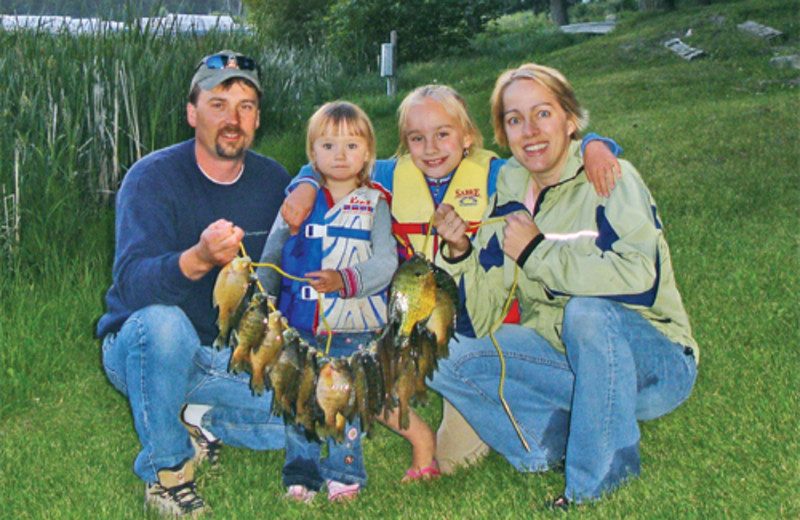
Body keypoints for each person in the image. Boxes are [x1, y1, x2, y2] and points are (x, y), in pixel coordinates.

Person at [280, 84, 623, 477]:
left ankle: (536, 409)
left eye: (442, 134)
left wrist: (596, 144)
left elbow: (552, 156)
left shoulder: (498, 174)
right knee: (356, 364)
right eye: (416, 138)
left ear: (467, 138)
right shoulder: (390, 177)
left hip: (486, 328)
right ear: (405, 144)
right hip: (414, 325)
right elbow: (333, 159)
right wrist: (305, 183)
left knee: (454, 457)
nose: (430, 148)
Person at [428, 63, 698, 509]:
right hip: (567, 362)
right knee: (442, 349)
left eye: (543, 114)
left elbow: (640, 278)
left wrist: (537, 252)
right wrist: (458, 255)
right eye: (515, 119)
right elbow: (479, 318)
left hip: (654, 364)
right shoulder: (510, 189)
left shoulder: (610, 176)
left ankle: (598, 481)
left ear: (571, 120)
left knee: (586, 313)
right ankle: (548, 444)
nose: (530, 131)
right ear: (503, 132)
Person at [97, 50, 290, 518]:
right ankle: (168, 472)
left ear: (258, 119)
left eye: (245, 106)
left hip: (227, 355)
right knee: (164, 326)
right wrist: (198, 259)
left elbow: (282, 283)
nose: (233, 118)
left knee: (315, 414)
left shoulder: (273, 181)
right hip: (147, 349)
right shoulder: (150, 179)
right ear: (192, 112)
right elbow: (134, 288)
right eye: (218, 103)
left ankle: (201, 421)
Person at [257, 101, 397, 503]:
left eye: (352, 146)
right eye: (329, 145)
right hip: (299, 323)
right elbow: (272, 253)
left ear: (368, 153)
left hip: (354, 327)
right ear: (312, 153)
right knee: (297, 397)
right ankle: (300, 472)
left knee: (345, 401)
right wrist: (266, 304)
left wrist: (346, 280)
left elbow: (387, 262)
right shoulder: (298, 203)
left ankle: (344, 472)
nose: (340, 155)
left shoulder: (376, 204)